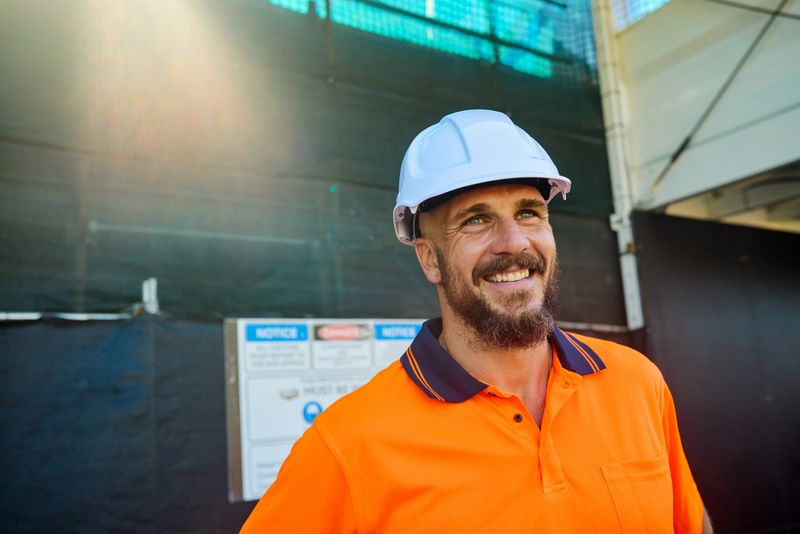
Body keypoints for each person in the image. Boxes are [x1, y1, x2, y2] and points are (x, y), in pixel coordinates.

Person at [241, 109, 713, 533]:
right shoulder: (347, 445)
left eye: (530, 213)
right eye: (475, 220)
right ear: (429, 259)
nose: (513, 242)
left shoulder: (637, 383)